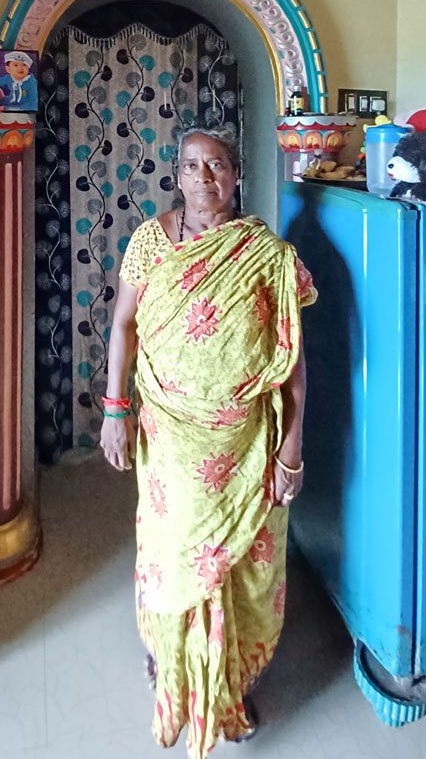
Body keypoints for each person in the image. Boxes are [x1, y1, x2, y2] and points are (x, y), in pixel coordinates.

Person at [102, 126, 317, 758]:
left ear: (236, 175)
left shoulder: (266, 255)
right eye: (192, 165)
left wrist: (291, 452)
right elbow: (123, 325)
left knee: (242, 567)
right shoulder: (149, 242)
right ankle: (173, 662)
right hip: (169, 441)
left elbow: (294, 363)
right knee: (173, 556)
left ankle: (229, 681)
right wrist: (115, 412)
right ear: (177, 174)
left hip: (244, 445)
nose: (203, 178)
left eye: (216, 165)